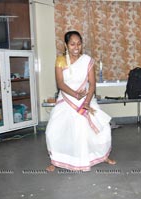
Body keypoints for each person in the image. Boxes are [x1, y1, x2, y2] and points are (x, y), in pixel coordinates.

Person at [45, 31, 116, 172]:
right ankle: (56, 160)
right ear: (66, 45)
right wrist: (75, 95)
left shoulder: (87, 60)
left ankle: (102, 156)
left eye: (79, 43)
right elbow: (60, 84)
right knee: (53, 131)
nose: (76, 47)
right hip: (66, 98)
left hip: (86, 99)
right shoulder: (60, 60)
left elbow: (92, 84)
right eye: (72, 44)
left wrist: (87, 102)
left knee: (102, 128)